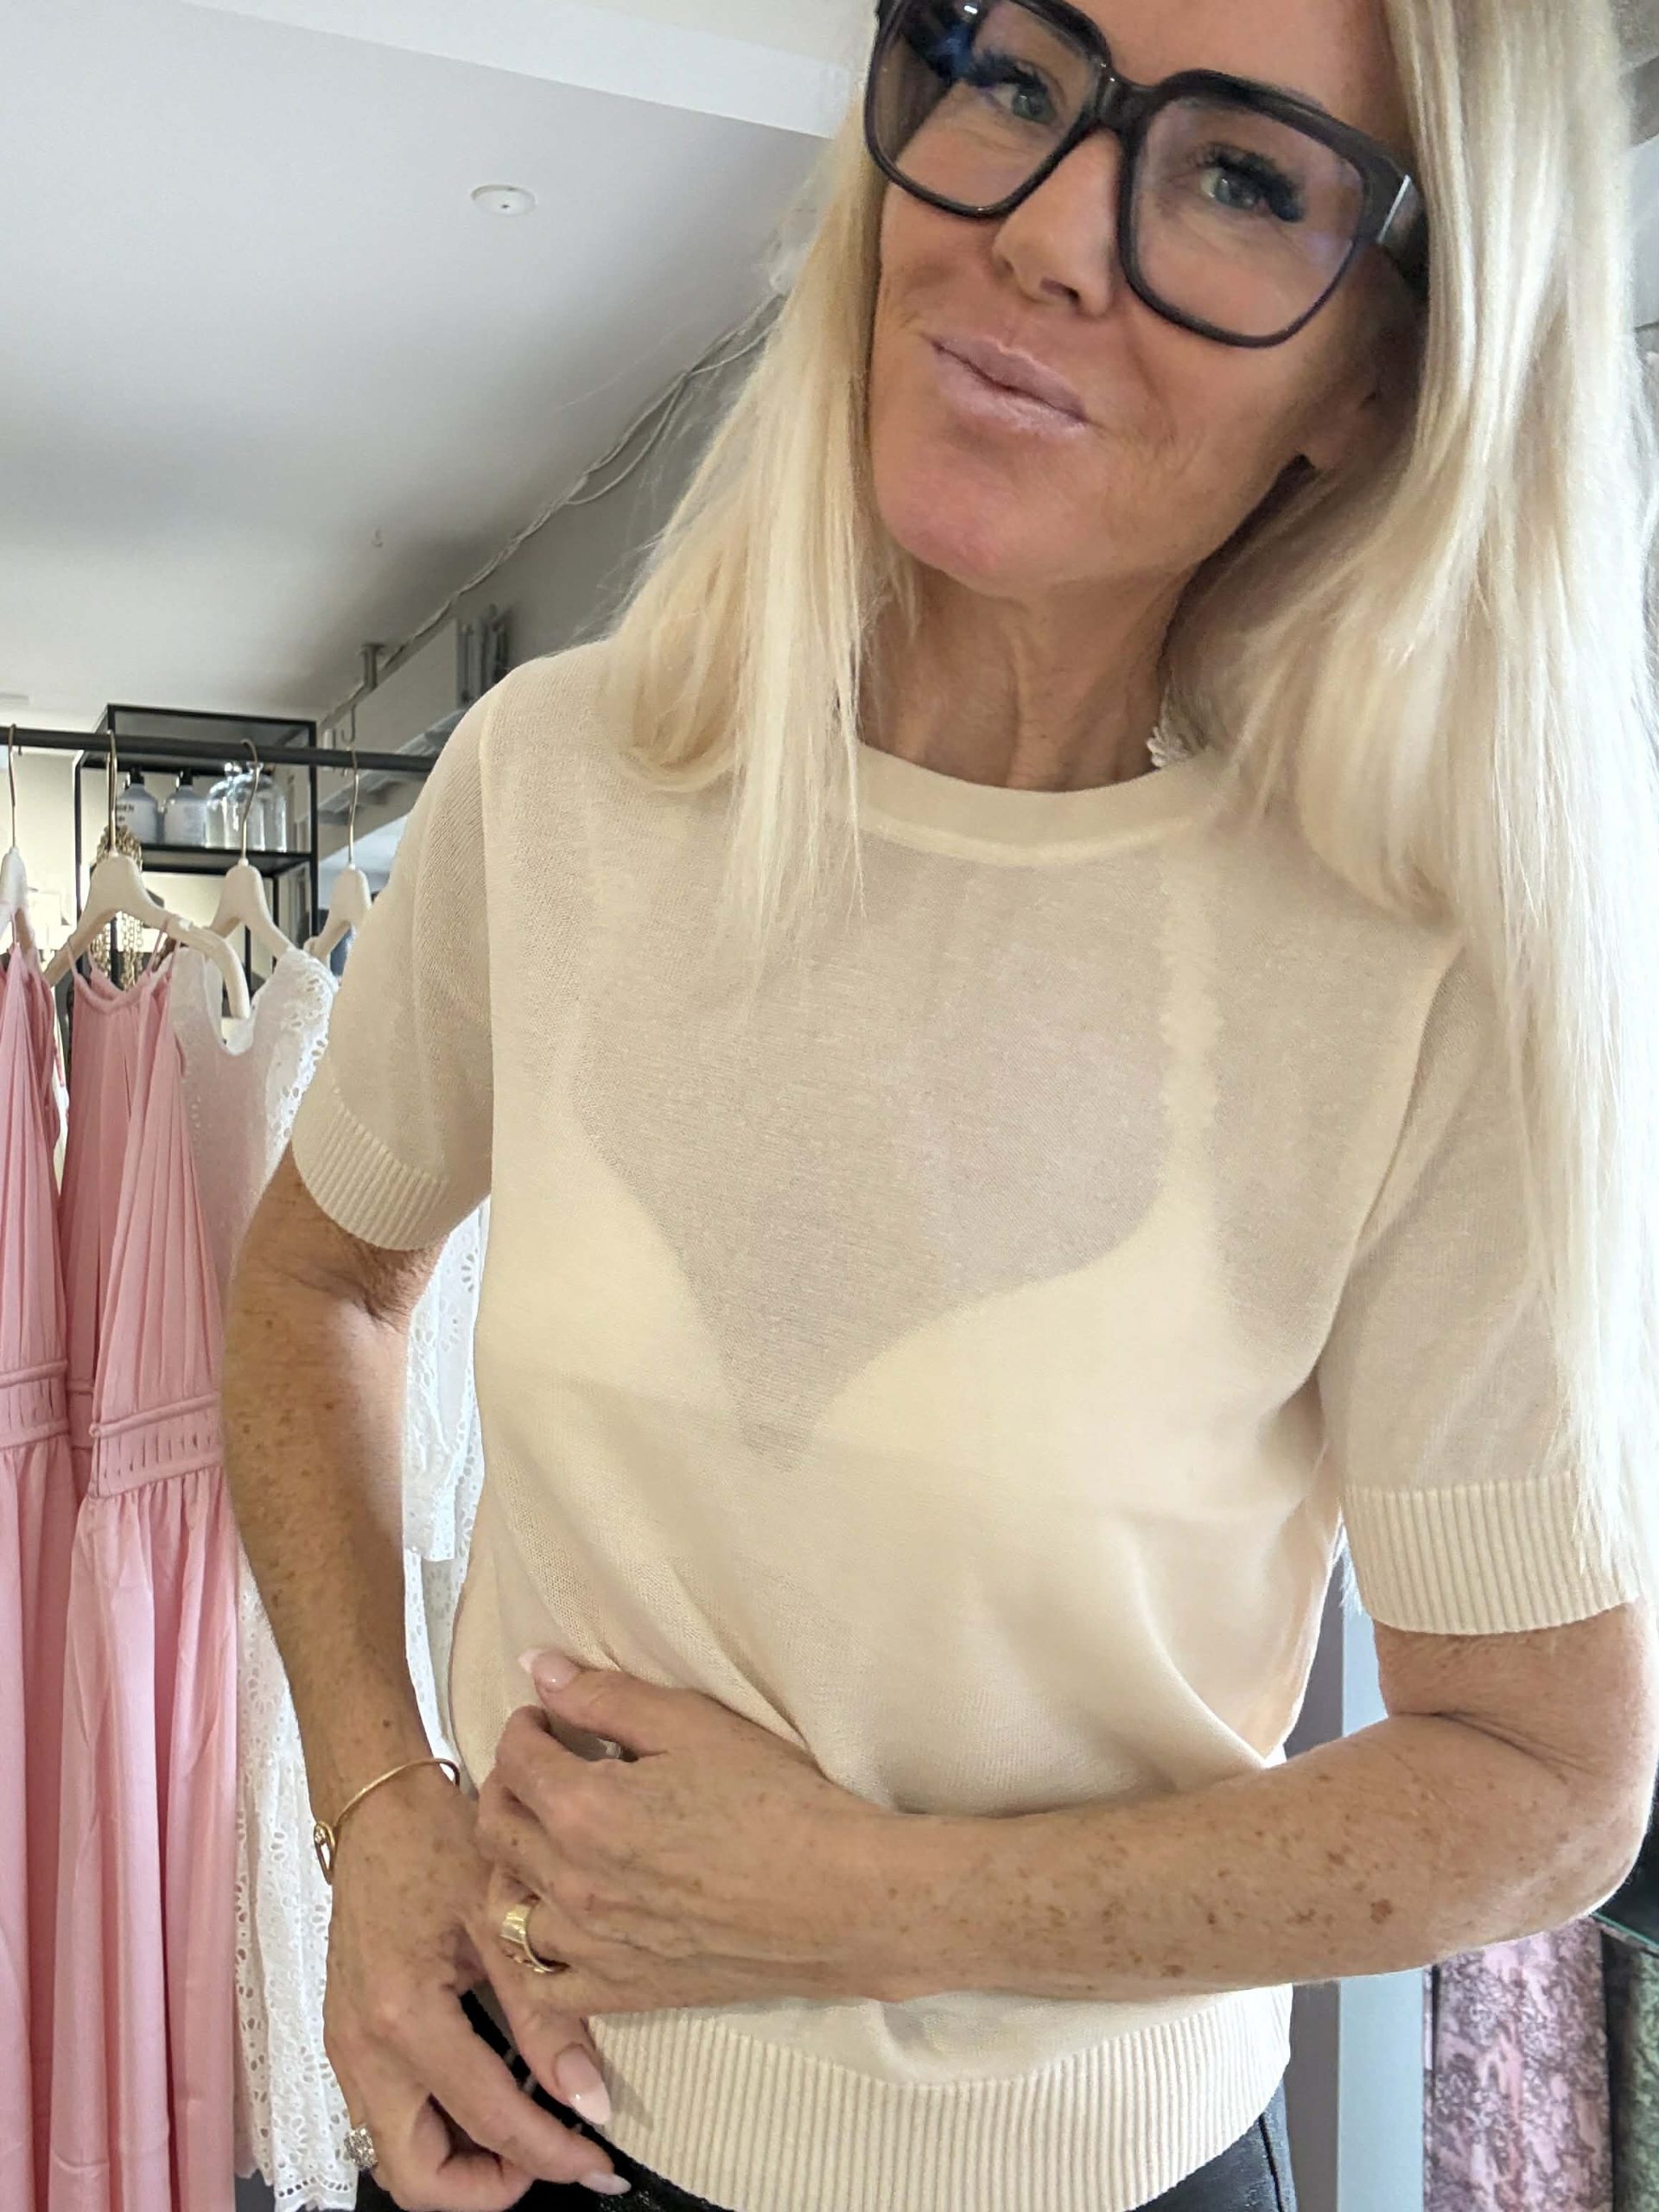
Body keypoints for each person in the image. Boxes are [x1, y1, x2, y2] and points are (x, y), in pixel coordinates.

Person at [222, 1, 1659, 2208]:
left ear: (1378, 377)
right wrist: (374, 1802)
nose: (1052, 230)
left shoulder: (1420, 974)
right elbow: (318, 1277)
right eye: (1012, 73)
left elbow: (1548, 1778)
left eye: (1242, 176)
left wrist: (869, 1905)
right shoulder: (557, 783)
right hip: (518, 2131)